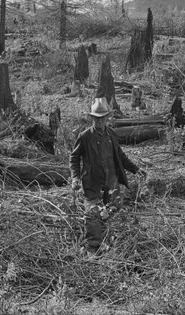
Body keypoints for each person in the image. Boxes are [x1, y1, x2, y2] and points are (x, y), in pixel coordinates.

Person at [69, 97, 147, 254]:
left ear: (107, 118)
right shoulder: (85, 136)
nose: (99, 121)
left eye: (102, 117)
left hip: (111, 183)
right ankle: (92, 250)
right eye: (96, 118)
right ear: (91, 118)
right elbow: (74, 158)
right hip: (92, 183)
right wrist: (75, 177)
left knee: (111, 213)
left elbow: (120, 156)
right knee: (92, 215)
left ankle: (110, 246)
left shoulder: (111, 134)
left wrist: (135, 169)